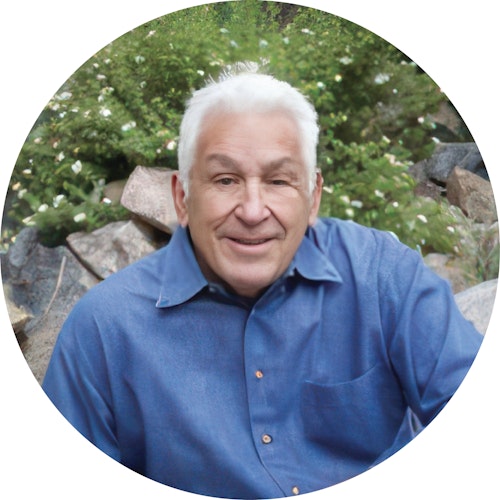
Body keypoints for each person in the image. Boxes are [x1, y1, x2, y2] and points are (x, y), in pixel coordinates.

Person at [42, 66, 483, 499]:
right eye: (225, 180)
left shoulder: (382, 275)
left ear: (313, 197)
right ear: (182, 197)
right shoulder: (104, 331)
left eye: (278, 181)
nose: (253, 211)